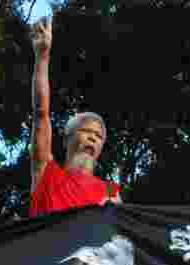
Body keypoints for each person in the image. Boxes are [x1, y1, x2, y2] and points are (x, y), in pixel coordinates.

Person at [28, 16, 123, 218]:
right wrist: (42, 57)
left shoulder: (110, 191)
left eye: (98, 137)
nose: (92, 138)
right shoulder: (47, 173)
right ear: (67, 138)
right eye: (86, 131)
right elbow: (41, 114)